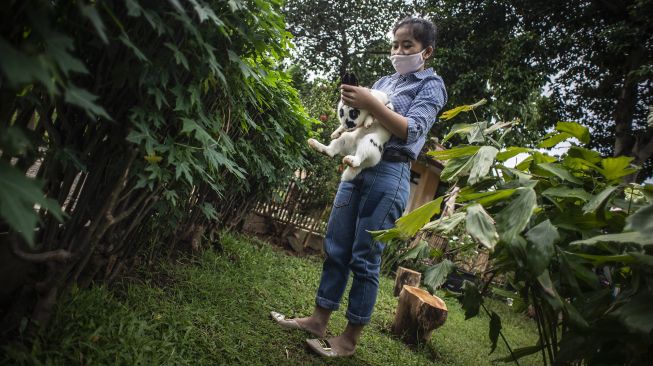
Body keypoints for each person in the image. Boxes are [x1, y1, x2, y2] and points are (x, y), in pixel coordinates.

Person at [271, 16, 447, 358]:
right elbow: (363, 121)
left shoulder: (431, 85)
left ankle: (349, 340)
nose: (398, 51)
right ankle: (318, 321)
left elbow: (410, 131)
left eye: (407, 45)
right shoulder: (385, 80)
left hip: (389, 172)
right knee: (336, 246)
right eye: (395, 44)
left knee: (365, 257)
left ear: (426, 52)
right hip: (357, 168)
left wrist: (370, 103)